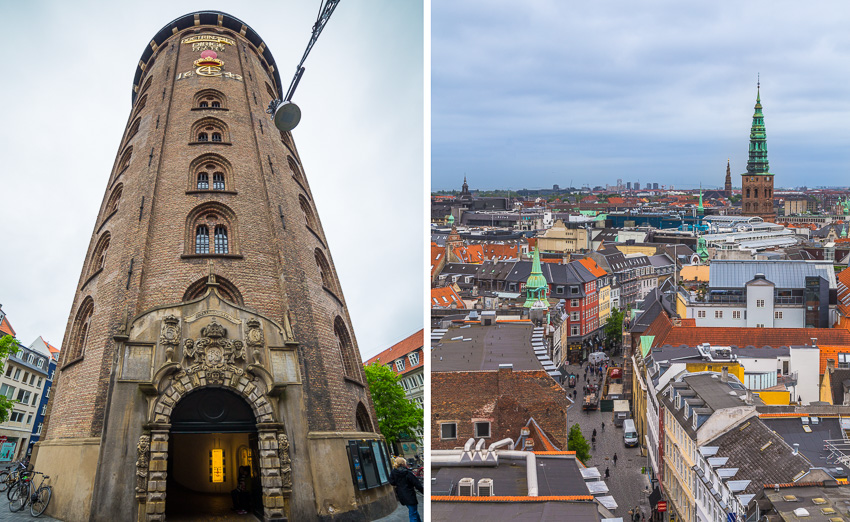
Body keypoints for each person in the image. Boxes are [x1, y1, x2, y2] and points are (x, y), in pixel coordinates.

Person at [389, 456, 423, 522]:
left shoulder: (393, 472)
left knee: (413, 511)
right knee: (413, 514)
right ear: (403, 464)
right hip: (409, 494)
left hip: (401, 494)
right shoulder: (407, 473)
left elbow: (392, 482)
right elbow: (417, 484)